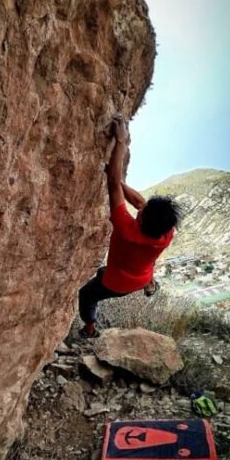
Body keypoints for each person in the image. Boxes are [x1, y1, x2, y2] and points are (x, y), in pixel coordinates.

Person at [77, 118, 182, 338]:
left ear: (141, 222)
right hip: (140, 277)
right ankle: (150, 283)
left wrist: (121, 142)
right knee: (110, 270)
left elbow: (113, 185)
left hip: (117, 283)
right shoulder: (166, 233)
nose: (140, 208)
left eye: (142, 213)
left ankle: (90, 329)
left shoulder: (126, 229)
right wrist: (116, 179)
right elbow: (137, 201)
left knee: (88, 294)